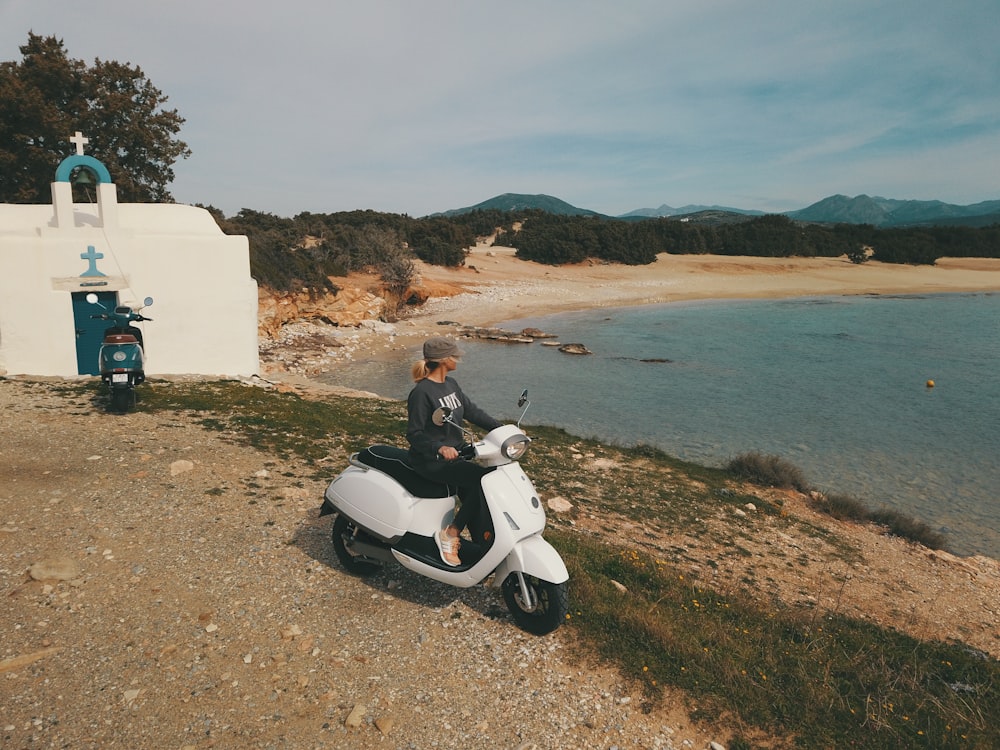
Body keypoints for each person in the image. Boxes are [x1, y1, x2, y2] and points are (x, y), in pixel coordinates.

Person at [406, 336, 502, 566]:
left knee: (479, 490)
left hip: (455, 457)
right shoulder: (422, 393)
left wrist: (503, 429)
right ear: (444, 360)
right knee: (482, 481)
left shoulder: (451, 384)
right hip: (431, 461)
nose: (457, 359)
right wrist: (439, 447)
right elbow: (414, 433)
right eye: (454, 356)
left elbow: (471, 411)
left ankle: (485, 545)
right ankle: (450, 534)